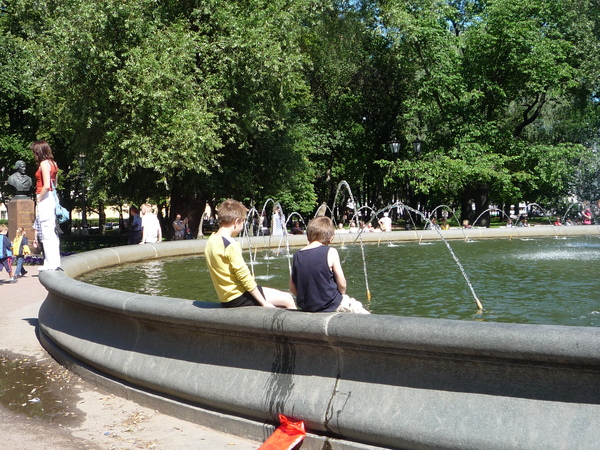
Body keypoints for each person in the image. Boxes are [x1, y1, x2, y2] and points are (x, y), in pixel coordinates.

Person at [205, 199, 296, 309]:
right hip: (238, 296)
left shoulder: (212, 240)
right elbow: (245, 277)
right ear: (236, 221)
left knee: (278, 300)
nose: (243, 225)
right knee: (287, 298)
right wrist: (264, 302)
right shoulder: (230, 244)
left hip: (225, 297)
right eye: (243, 221)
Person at [289, 216, 369, 314]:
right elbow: (342, 283)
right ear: (331, 238)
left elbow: (292, 287)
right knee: (364, 313)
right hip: (331, 304)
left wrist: (309, 300)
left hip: (307, 306)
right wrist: (342, 294)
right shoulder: (331, 252)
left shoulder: (297, 255)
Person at [32, 140, 61, 271]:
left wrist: (39, 199)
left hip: (45, 198)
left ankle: (50, 263)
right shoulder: (54, 164)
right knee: (51, 231)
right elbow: (56, 185)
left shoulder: (44, 164)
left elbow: (47, 186)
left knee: (46, 231)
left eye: (35, 152)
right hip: (51, 199)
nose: (34, 155)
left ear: (40, 151)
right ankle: (55, 262)